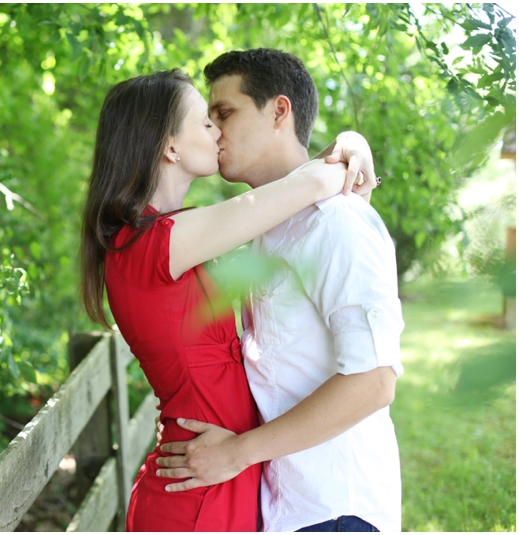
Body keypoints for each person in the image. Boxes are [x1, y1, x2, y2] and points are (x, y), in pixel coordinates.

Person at [80, 68, 378, 531]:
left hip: (218, 473)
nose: (218, 131)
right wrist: (348, 152)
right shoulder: (149, 244)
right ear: (170, 146)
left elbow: (287, 197)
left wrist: (349, 144)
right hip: (196, 491)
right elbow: (294, 191)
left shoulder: (176, 240)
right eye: (205, 122)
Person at [154, 49, 404, 532]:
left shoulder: (337, 222)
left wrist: (236, 454)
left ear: (279, 112)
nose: (214, 131)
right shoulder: (265, 228)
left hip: (337, 509)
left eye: (225, 113)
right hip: (284, 506)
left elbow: (373, 382)